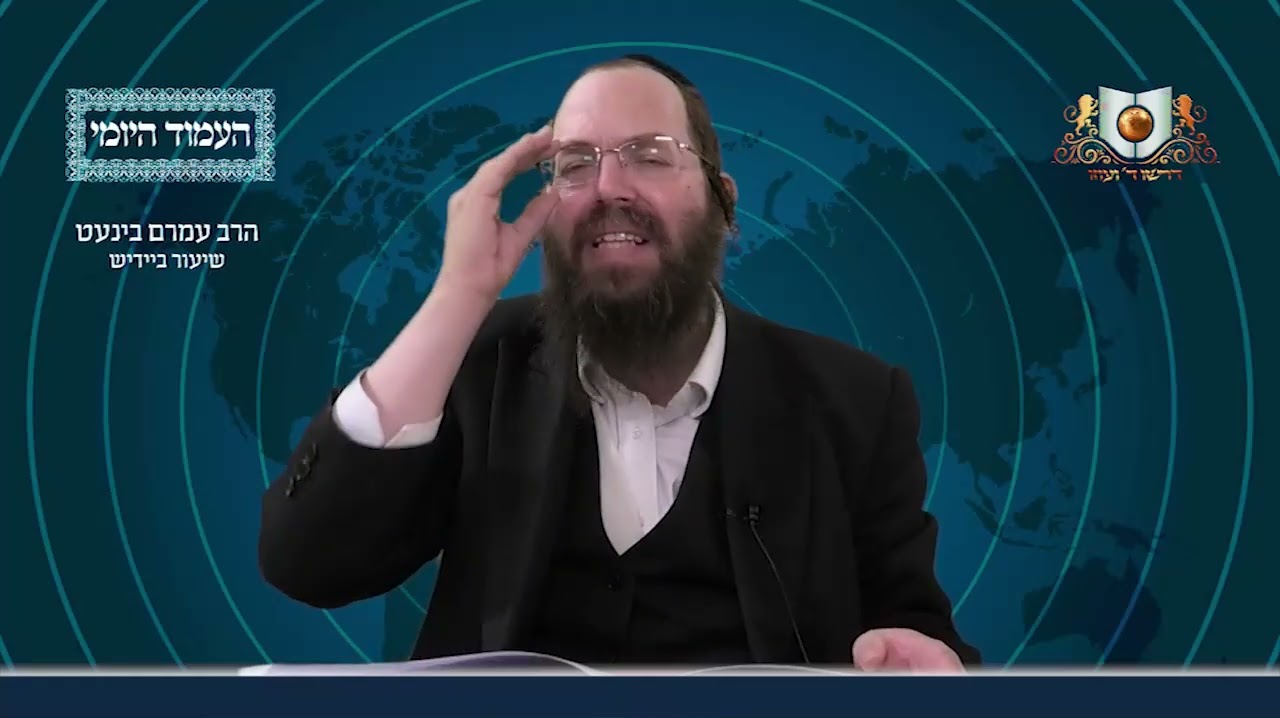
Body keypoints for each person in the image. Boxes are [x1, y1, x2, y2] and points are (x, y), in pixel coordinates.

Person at [258, 54, 980, 671]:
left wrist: (922, 661)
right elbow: (309, 565)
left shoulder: (857, 400)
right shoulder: (475, 360)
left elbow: (918, 635)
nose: (609, 188)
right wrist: (458, 295)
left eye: (649, 155)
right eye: (576, 164)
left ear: (723, 204)